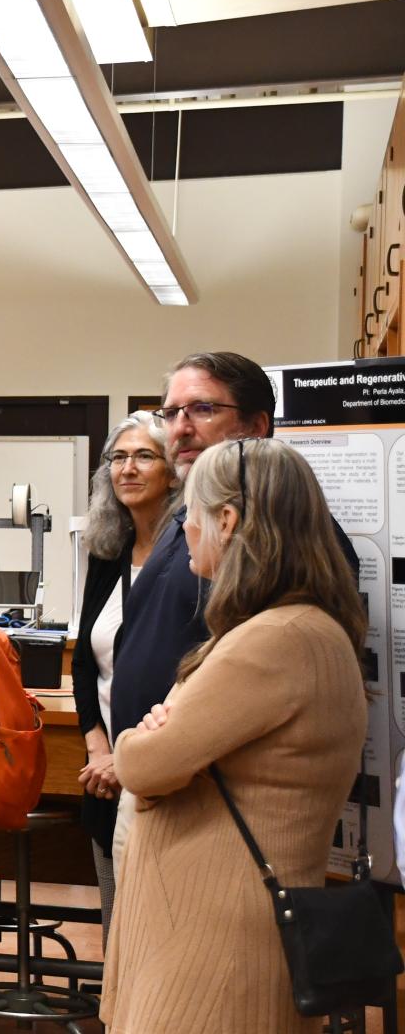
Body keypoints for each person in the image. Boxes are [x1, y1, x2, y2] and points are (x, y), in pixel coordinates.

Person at [101, 438, 366, 1033]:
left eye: (189, 512)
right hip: (210, 927)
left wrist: (140, 744)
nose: (184, 530)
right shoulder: (294, 627)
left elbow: (143, 765)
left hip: (215, 944)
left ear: (227, 519)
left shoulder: (276, 638)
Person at [107, 352, 358, 868]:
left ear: (257, 425)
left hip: (210, 815)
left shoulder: (293, 547)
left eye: (200, 409)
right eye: (170, 412)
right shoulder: (179, 526)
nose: (180, 428)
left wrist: (151, 747)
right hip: (149, 787)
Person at [68, 411, 175, 938]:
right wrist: (99, 750)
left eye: (144, 456)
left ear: (174, 469)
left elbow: (183, 671)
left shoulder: (189, 558)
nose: (127, 469)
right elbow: (85, 662)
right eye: (118, 458)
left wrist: (130, 758)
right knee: (117, 931)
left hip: (165, 775)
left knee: (158, 934)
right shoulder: (108, 555)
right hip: (105, 776)